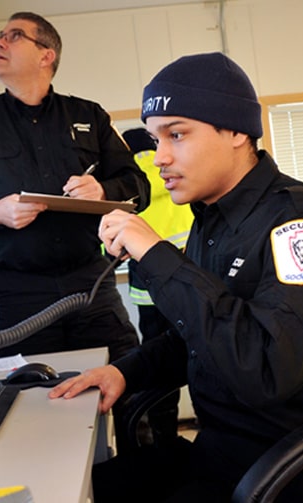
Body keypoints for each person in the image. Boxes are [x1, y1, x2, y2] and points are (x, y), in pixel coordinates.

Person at [49, 52, 303, 502]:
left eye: (177, 135)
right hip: (220, 456)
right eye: (156, 138)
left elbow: (263, 369)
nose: (158, 158)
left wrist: (157, 255)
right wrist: (123, 372)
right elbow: (196, 336)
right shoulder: (210, 220)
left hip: (289, 473)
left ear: (238, 131)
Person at [0, 12, 150, 365]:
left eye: (14, 36)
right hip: (15, 295)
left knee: (125, 382)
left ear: (46, 55)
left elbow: (139, 187)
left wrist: (102, 191)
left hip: (89, 285)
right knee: (26, 401)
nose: (0, 42)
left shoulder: (90, 116)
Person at [122, 127, 194, 446]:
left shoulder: (128, 185)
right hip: (188, 287)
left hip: (149, 295)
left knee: (159, 365)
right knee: (201, 357)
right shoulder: (178, 174)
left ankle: (163, 436)